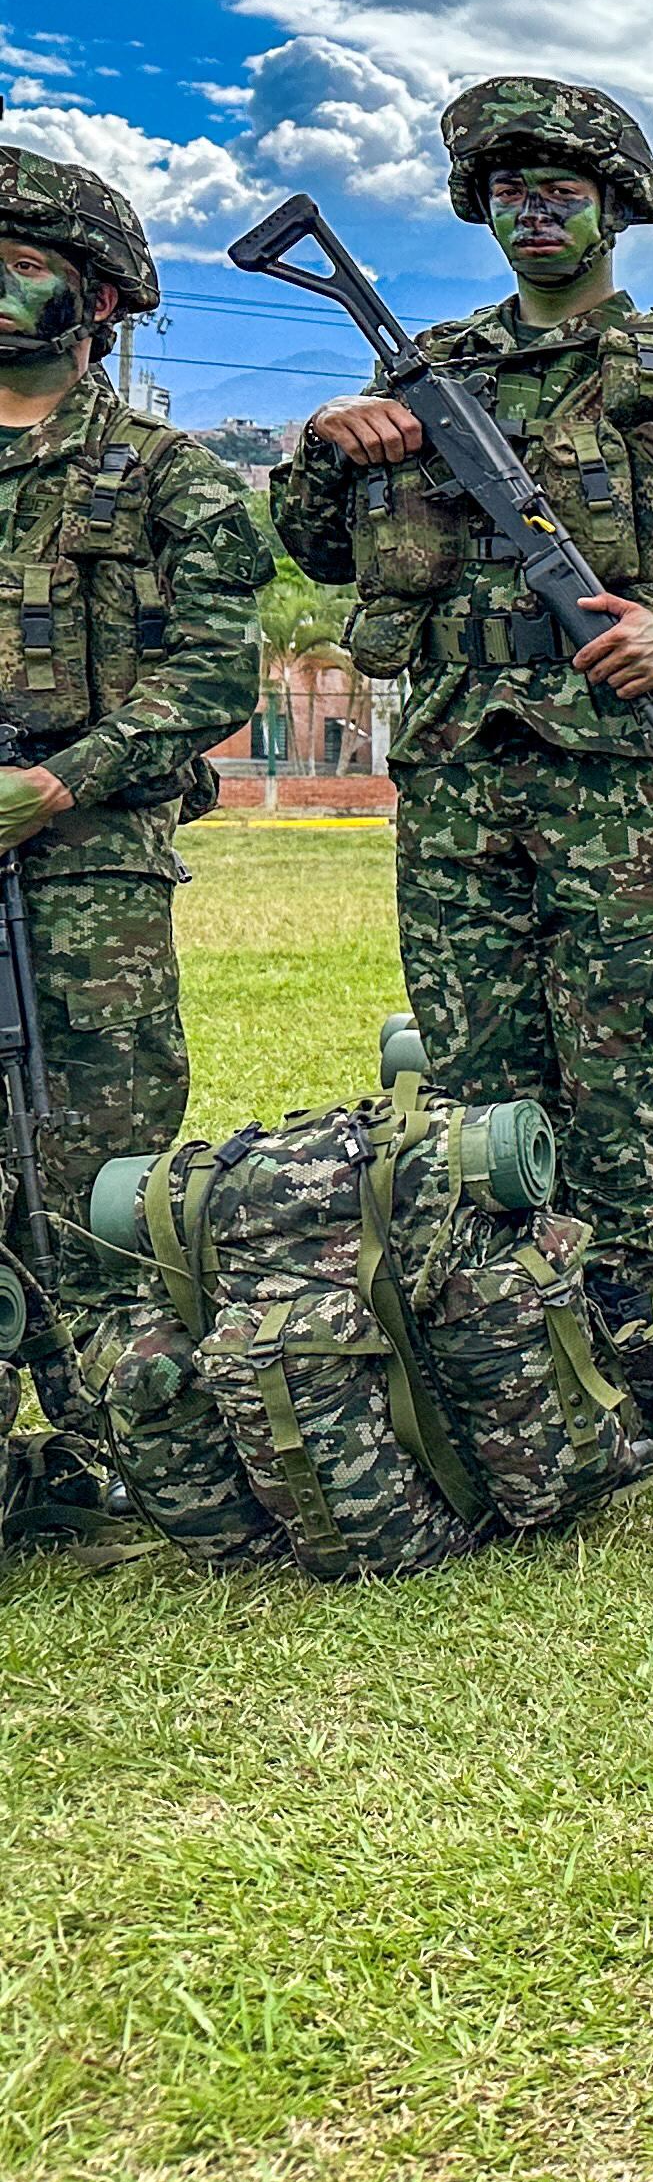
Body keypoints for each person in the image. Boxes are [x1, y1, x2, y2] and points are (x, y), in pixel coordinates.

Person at [272, 77, 653, 1417]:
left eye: (560, 189)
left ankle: (618, 1325)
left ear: (615, 209)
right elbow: (313, 543)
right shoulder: (426, 370)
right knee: (471, 1056)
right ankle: (490, 1314)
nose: (534, 211)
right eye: (508, 191)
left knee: (620, 1057)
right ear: (479, 210)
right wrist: (325, 450)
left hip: (614, 774)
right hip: (460, 763)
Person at [0, 148, 264, 1386]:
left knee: (97, 1160)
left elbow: (212, 677)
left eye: (22, 264)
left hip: (90, 869)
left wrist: (62, 780)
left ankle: (121, 1427)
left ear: (99, 300)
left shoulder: (175, 483)